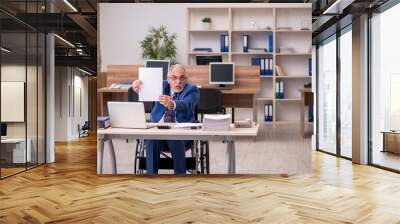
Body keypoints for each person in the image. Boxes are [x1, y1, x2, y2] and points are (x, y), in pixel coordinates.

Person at [132, 64, 199, 174]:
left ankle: (180, 178)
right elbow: (143, 87)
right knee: (151, 139)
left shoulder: (192, 90)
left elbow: (187, 104)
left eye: (182, 78)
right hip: (157, 130)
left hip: (181, 132)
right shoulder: (160, 86)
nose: (178, 81)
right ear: (168, 79)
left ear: (186, 79)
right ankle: (151, 177)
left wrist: (172, 104)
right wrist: (137, 86)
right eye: (174, 78)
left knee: (174, 138)